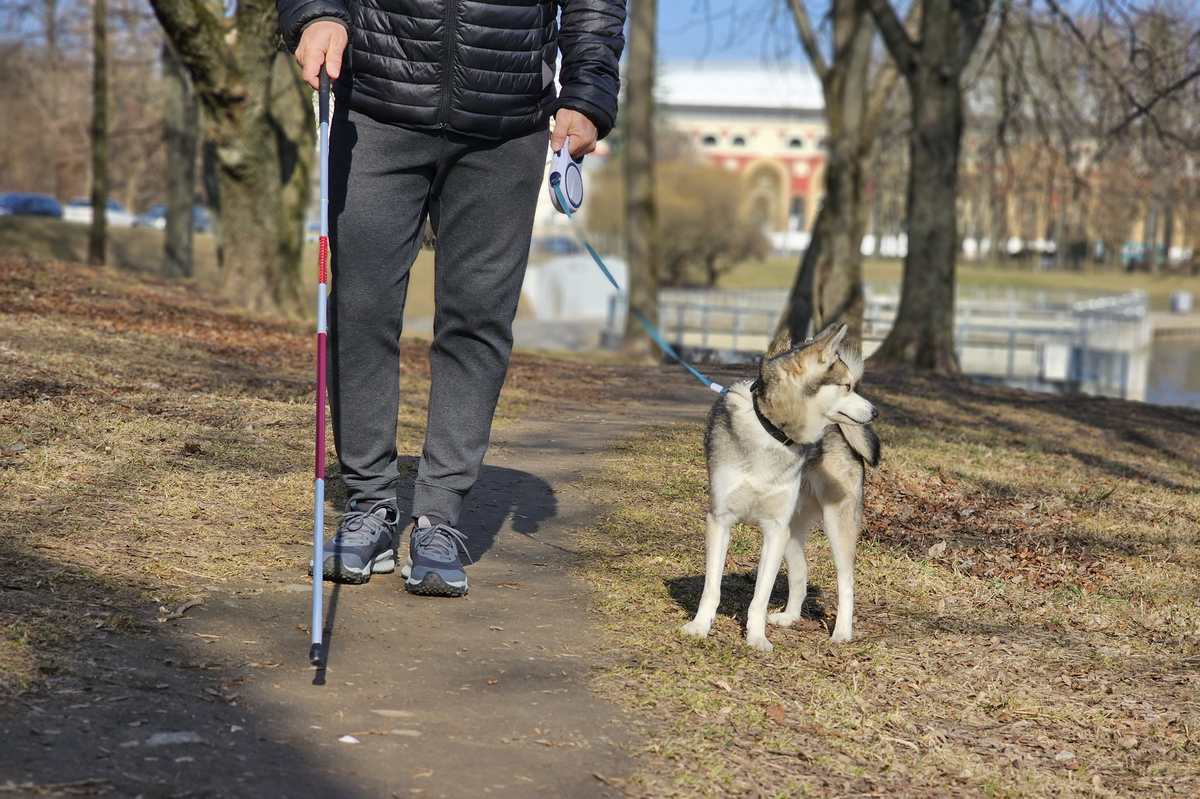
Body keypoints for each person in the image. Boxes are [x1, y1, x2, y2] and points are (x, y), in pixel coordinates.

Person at [276, 0, 624, 596]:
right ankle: (369, 505)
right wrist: (316, 14)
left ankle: (438, 517)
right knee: (359, 307)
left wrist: (587, 90)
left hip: (507, 118)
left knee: (477, 320)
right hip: (376, 100)